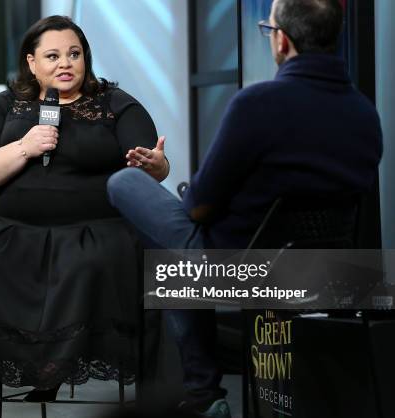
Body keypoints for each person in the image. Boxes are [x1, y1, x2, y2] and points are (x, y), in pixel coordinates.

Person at [107, 0, 382, 417]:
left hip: (250, 269)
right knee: (174, 261)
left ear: (282, 41)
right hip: (337, 269)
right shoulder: (366, 113)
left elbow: (198, 207)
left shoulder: (257, 104)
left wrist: (186, 194)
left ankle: (204, 395)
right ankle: (202, 395)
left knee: (127, 186)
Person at [0, 15, 168, 401]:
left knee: (81, 264)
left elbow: (154, 165)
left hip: (95, 231)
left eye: (74, 54)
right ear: (32, 63)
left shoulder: (115, 104)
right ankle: (38, 365)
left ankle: (55, 366)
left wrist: (156, 165)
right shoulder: (7, 105)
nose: (65, 63)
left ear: (86, 57)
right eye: (52, 55)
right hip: (16, 232)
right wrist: (25, 147)